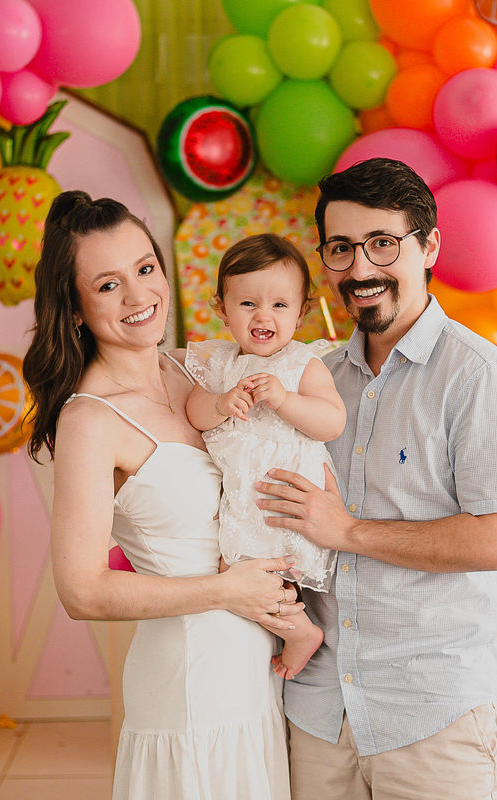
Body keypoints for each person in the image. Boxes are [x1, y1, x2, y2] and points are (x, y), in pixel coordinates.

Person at [257, 158, 497, 800]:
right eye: (340, 248)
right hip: (319, 710)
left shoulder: (481, 379)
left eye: (382, 243)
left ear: (430, 246)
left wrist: (350, 531)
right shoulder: (315, 380)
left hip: (432, 715)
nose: (360, 269)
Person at [23, 191, 297, 800]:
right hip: (190, 683)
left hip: (257, 667)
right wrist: (227, 590)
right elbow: (81, 590)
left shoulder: (195, 371)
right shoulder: (90, 421)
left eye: (146, 269)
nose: (139, 296)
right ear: (73, 308)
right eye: (108, 285)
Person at [184, 233, 347, 679]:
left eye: (279, 305)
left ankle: (299, 632)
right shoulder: (219, 365)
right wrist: (219, 403)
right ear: (221, 308)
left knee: (254, 570)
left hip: (282, 496)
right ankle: (289, 629)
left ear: (301, 311)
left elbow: (332, 420)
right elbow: (194, 412)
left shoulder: (303, 365)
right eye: (247, 304)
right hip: (242, 493)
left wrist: (285, 401)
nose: (263, 315)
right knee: (236, 570)